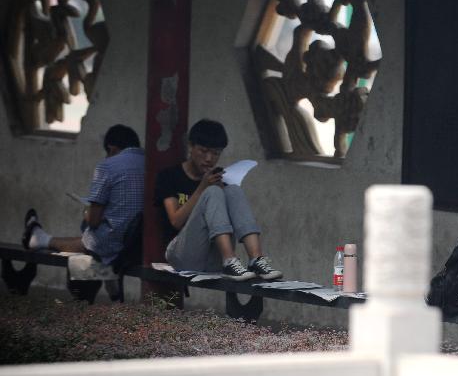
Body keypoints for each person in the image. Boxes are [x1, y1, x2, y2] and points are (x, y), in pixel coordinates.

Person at [154, 119, 282, 281]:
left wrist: (219, 189)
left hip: (213, 259)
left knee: (233, 190)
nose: (209, 159)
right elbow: (175, 221)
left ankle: (256, 259)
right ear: (191, 147)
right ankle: (229, 260)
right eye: (203, 151)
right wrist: (202, 188)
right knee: (213, 192)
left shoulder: (220, 183)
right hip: (182, 255)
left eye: (215, 153)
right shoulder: (170, 176)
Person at [22, 124, 145, 265]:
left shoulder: (108, 166)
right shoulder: (150, 162)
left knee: (89, 228)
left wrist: (87, 212)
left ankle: (40, 239)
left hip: (114, 244)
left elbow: (93, 221)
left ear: (112, 149)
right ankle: (38, 237)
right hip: (139, 244)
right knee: (97, 232)